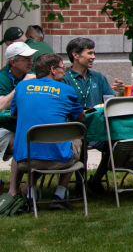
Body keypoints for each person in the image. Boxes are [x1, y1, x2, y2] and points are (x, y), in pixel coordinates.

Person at [6, 53, 86, 210]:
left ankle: (28, 192)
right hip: (59, 160)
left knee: (28, 141)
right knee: (76, 140)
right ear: (53, 70)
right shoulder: (67, 90)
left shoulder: (21, 87)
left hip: (25, 160)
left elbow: (14, 113)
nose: (65, 72)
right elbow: (81, 118)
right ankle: (59, 195)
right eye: (63, 68)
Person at [62, 37, 125, 191]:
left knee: (117, 141)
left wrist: (120, 94)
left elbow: (111, 104)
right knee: (80, 140)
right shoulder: (64, 79)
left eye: (93, 53)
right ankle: (80, 183)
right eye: (89, 53)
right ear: (75, 55)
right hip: (73, 129)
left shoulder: (98, 77)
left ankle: (95, 180)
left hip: (99, 128)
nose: (93, 56)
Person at [0, 42, 37, 166]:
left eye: (31, 58)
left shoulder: (30, 77)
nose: (31, 62)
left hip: (23, 126)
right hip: (4, 127)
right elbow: (1, 106)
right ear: (12, 62)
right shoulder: (2, 78)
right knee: (27, 146)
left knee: (43, 143)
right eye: (26, 59)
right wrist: (22, 86)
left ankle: (26, 185)